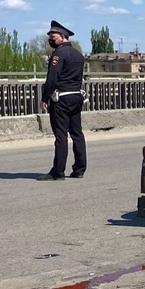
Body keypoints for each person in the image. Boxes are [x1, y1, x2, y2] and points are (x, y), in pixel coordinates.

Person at [38, 20, 86, 181]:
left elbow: (52, 78)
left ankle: (58, 172)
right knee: (77, 133)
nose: (51, 38)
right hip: (76, 97)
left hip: (62, 99)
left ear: (63, 36)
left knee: (61, 136)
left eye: (53, 35)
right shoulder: (78, 54)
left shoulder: (59, 54)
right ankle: (80, 169)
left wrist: (44, 98)